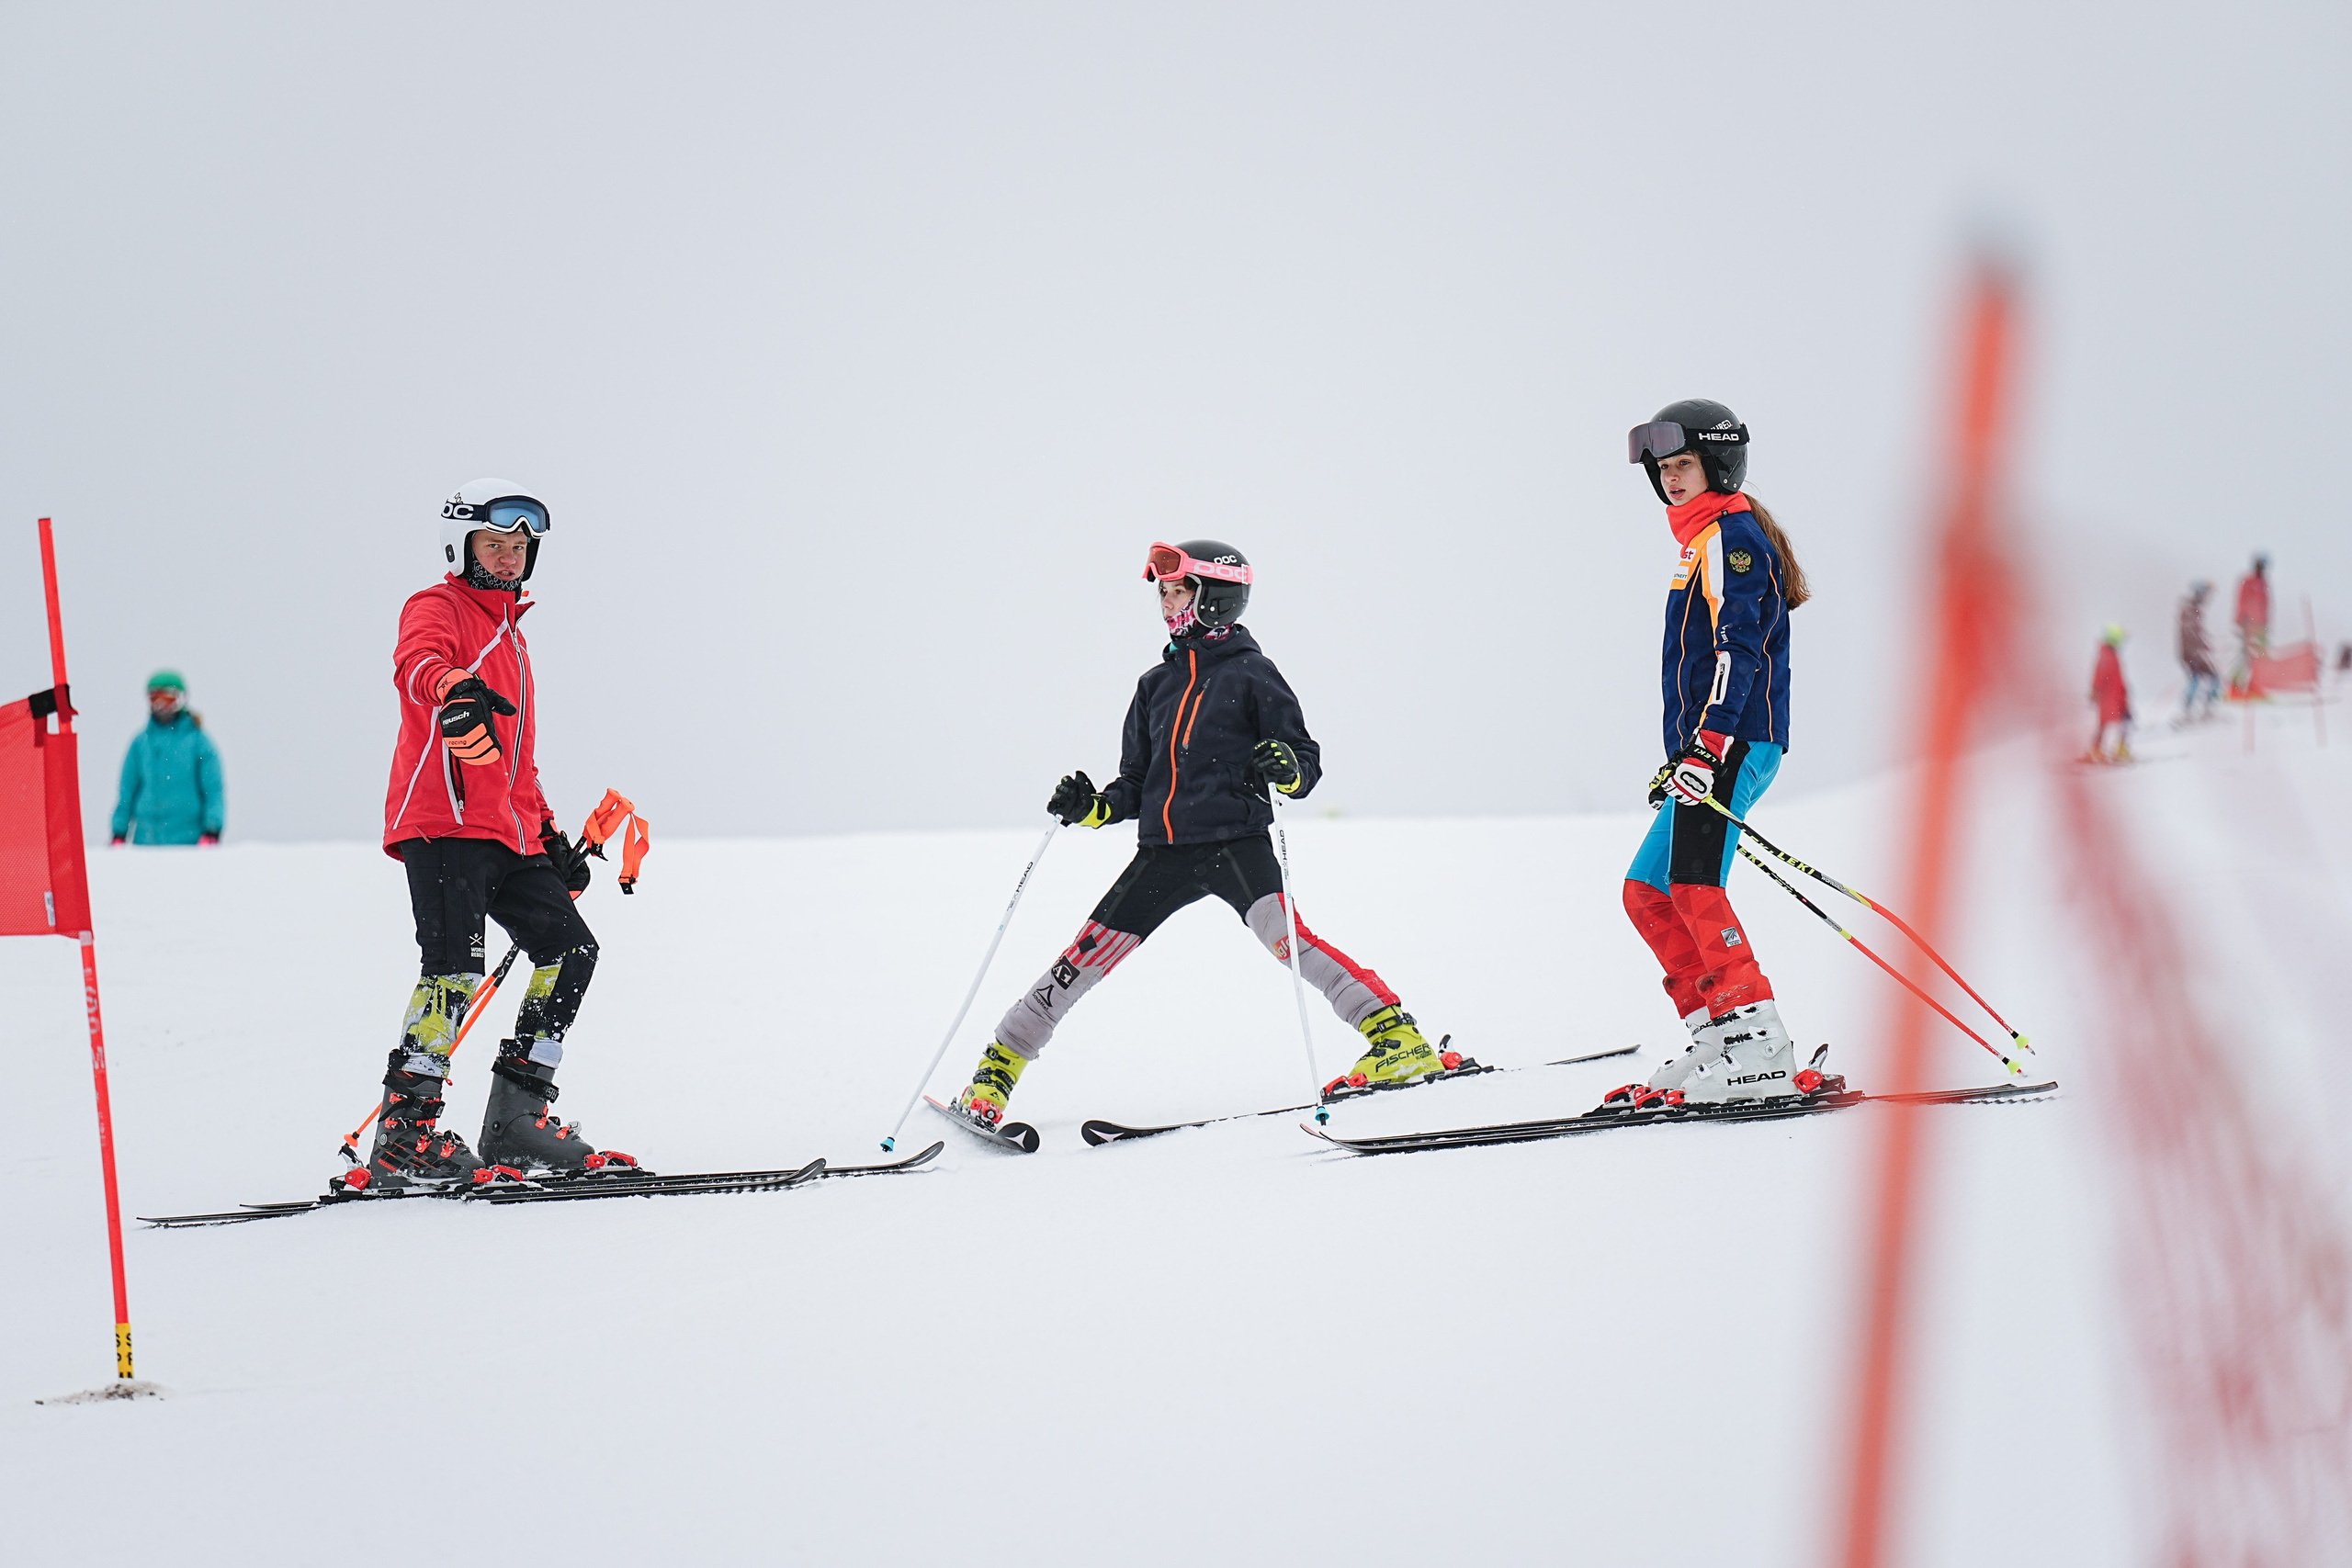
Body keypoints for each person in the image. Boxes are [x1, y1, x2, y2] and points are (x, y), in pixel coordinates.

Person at [945, 539, 1457, 1133]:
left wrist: (1286, 766)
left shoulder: (1252, 673)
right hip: (1163, 854)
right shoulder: (1153, 686)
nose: (1167, 603)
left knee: (1289, 942)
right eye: (1162, 593)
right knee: (1081, 958)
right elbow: (1134, 784)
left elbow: (1305, 762)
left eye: (1178, 591)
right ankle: (996, 1071)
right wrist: (1091, 808)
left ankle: (1395, 1037)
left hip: (1235, 843)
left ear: (1216, 597)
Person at [358, 479, 630, 1190]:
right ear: (462, 546)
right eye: (494, 544)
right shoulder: (437, 606)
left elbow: (516, 765)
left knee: (570, 951)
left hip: (509, 833)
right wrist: (453, 688)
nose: (509, 557)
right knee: (453, 969)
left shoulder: (513, 636)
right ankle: (404, 1134)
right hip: (443, 822)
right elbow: (416, 664)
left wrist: (549, 835)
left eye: (519, 547)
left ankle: (518, 1117)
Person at [1609, 400, 1811, 1111]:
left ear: (1718, 464)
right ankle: (1717, 1033)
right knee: (1648, 891)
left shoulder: (1732, 538)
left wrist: (1708, 744)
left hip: (1734, 740)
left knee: (1694, 884)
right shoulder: (1700, 542)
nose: (1671, 478)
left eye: (1684, 464)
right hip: (1706, 750)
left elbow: (1738, 650)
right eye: (1663, 469)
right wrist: (1685, 754)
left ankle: (1758, 1048)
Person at [109, 670, 224, 846]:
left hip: (189, 844)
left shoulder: (199, 743)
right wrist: (119, 831)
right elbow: (127, 791)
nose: (161, 706)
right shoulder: (140, 744)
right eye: (155, 699)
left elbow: (213, 790)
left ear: (181, 700)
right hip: (146, 843)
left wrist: (213, 828)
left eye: (168, 699)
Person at [2176, 581, 2220, 724]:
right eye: (2205, 595)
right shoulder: (2189, 610)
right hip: (2191, 654)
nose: (2207, 598)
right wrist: (2201, 647)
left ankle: (2203, 709)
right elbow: (2191, 633)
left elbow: (2197, 633)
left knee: (2208, 678)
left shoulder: (2194, 610)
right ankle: (2190, 711)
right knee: (2199, 678)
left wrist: (2206, 645)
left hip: (2194, 653)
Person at [2087, 625, 2132, 763]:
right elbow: (2100, 676)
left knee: (2106, 723)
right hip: (2111, 698)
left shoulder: (2110, 655)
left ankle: (2098, 749)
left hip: (2115, 697)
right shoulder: (2107, 656)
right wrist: (2095, 691)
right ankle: (2116, 750)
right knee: (2121, 722)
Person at [2234, 552, 2271, 684]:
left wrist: (2265, 623)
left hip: (2260, 624)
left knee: (2262, 653)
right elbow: (2242, 600)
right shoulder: (2249, 581)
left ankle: (2257, 682)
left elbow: (2265, 605)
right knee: (2245, 653)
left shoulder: (2263, 583)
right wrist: (2242, 619)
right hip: (2248, 623)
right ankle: (2236, 682)